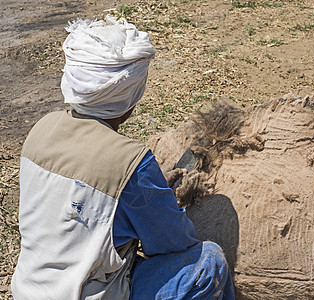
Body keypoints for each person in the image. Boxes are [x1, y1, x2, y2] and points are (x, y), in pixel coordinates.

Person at [11, 16, 234, 299]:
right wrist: (150, 196)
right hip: (87, 293)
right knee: (209, 262)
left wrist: (137, 194)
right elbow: (174, 242)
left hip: (30, 289)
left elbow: (73, 204)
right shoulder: (131, 162)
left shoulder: (42, 128)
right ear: (131, 95)